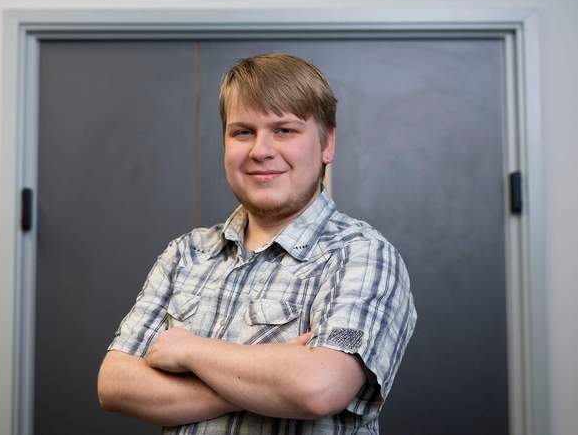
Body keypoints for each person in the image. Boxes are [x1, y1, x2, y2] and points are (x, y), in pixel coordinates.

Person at [97, 53, 416, 434]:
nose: (260, 150)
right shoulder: (186, 253)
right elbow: (115, 384)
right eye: (242, 132)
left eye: (284, 130)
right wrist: (274, 373)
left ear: (327, 143)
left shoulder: (362, 254)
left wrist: (190, 351)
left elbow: (321, 388)